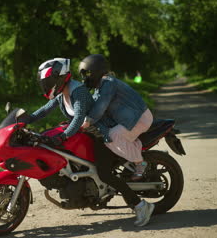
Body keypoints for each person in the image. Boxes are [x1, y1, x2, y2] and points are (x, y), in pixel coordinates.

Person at [29, 57, 154, 227]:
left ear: (60, 78)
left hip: (99, 134)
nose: (47, 84)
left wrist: (64, 135)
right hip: (84, 134)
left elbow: (80, 117)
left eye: (49, 81)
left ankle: (140, 205)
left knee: (104, 173)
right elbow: (45, 110)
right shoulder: (60, 94)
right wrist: (26, 119)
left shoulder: (77, 90)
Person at [79, 54, 154, 181]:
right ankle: (135, 154)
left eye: (88, 73)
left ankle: (140, 163)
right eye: (84, 75)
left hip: (138, 118)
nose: (86, 78)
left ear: (97, 71)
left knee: (112, 136)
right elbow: (95, 105)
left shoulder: (108, 82)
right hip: (130, 120)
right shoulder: (100, 87)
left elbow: (101, 105)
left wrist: (88, 121)